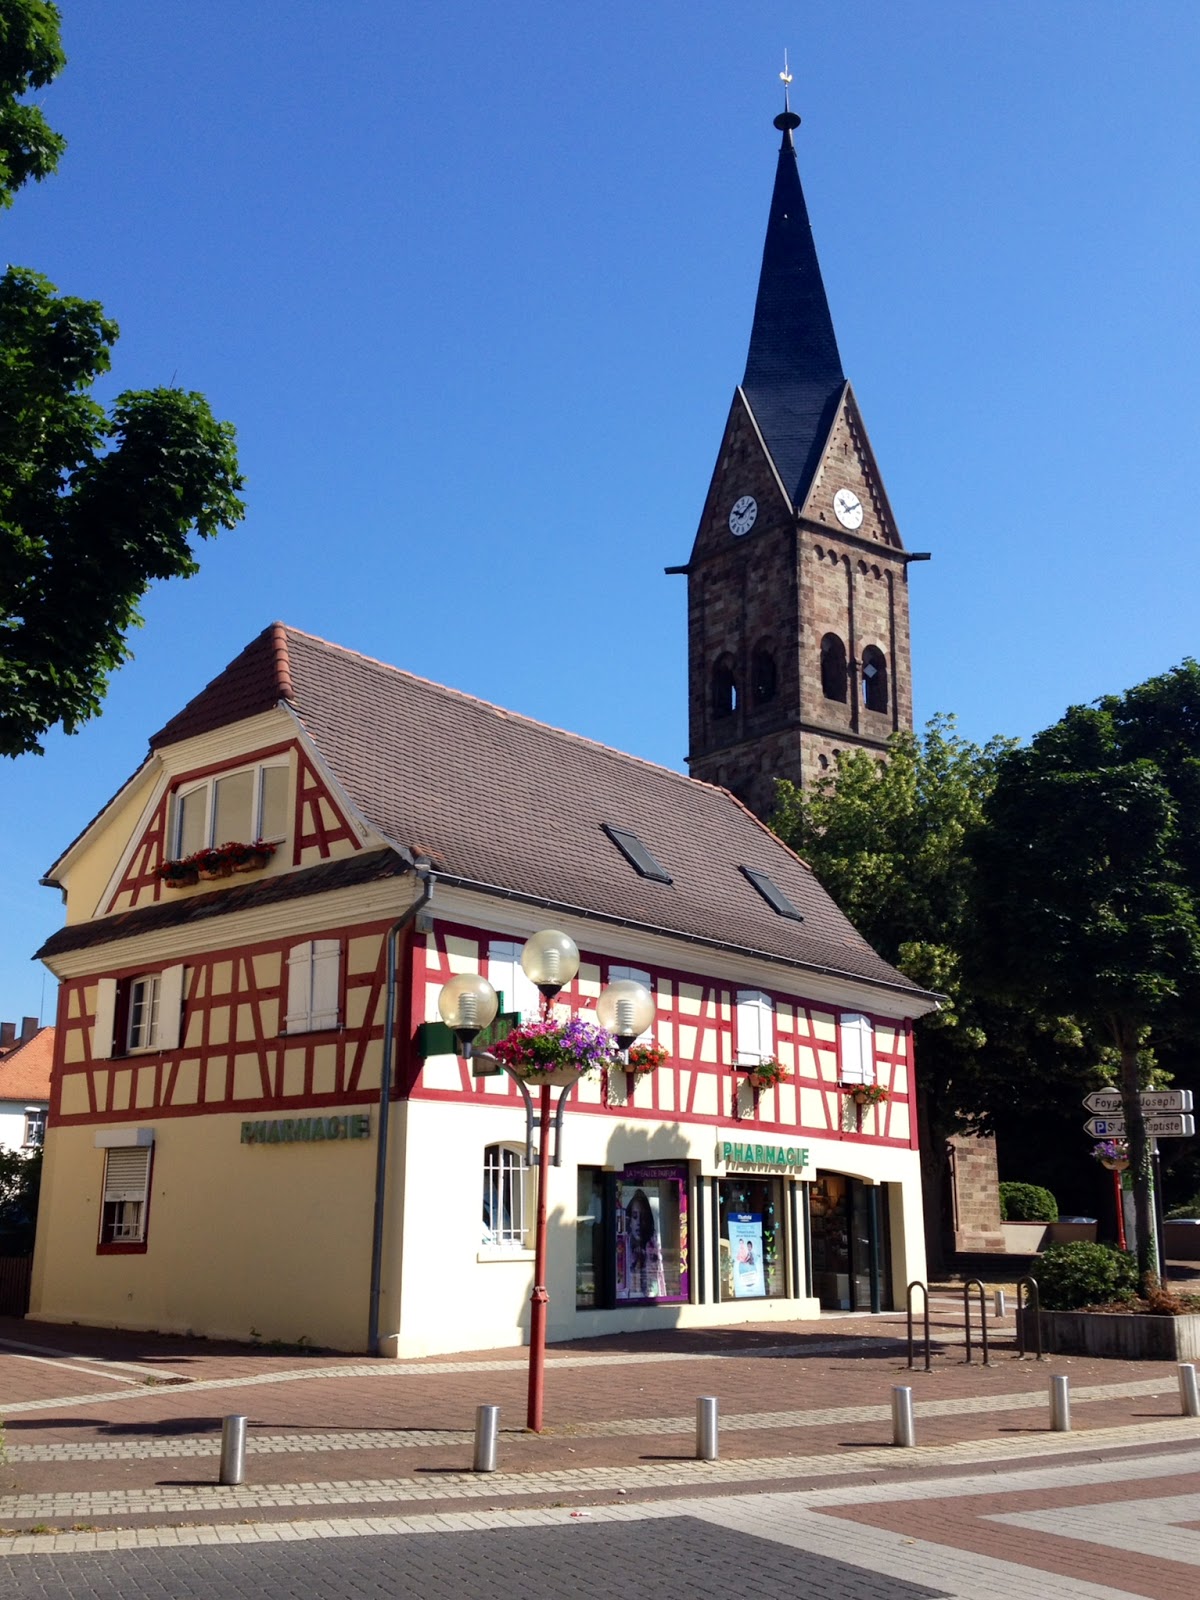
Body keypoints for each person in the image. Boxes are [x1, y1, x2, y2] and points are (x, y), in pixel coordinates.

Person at [625, 1187, 667, 1298]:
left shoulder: (653, 1246)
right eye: (635, 1216)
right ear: (629, 1221)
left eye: (643, 1217)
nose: (638, 1222)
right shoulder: (624, 1248)